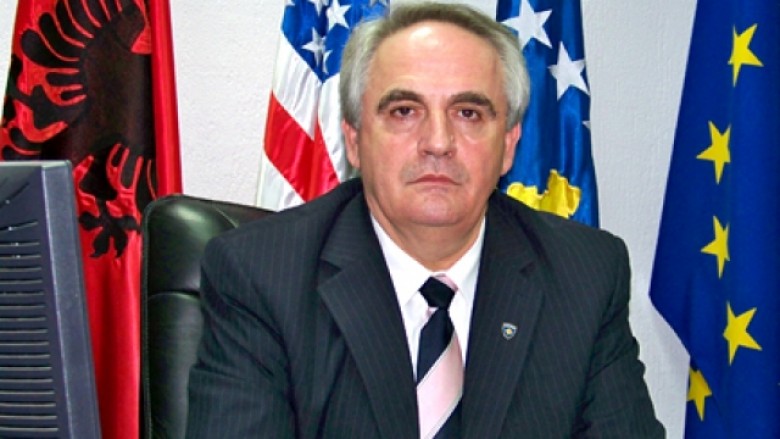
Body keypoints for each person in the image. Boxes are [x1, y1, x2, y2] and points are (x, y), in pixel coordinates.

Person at [186, 2, 665, 438]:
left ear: (509, 144)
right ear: (353, 139)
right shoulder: (262, 277)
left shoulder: (584, 275)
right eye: (404, 111)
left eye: (468, 113)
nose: (438, 142)